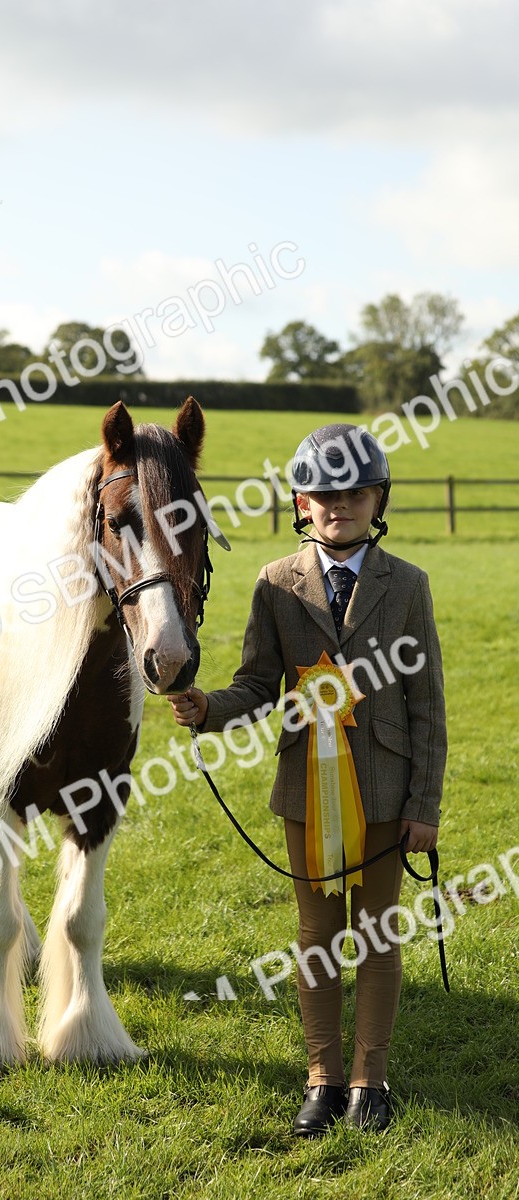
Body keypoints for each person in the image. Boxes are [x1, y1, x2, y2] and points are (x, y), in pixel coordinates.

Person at [168, 423, 446, 1136]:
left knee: (378, 938)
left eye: (353, 492)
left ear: (377, 498)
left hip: (386, 794)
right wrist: (207, 710)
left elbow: (428, 710)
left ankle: (370, 1082)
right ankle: (323, 1077)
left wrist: (425, 807)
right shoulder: (275, 584)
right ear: (300, 500)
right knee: (317, 936)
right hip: (306, 795)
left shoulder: (407, 586)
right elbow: (258, 684)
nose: (337, 505)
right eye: (323, 493)